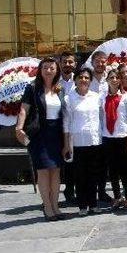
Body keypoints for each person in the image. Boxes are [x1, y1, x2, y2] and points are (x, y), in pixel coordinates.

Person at [15, 58, 66, 221]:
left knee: (56, 171)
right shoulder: (32, 88)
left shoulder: (60, 88)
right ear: (40, 70)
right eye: (45, 67)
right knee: (43, 171)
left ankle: (56, 205)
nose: (48, 70)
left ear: (56, 70)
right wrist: (19, 127)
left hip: (56, 133)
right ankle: (48, 207)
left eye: (52, 68)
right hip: (39, 134)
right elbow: (24, 109)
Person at [62, 69, 103, 216]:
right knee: (80, 176)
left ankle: (93, 204)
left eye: (86, 77)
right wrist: (67, 144)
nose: (83, 80)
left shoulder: (96, 97)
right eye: (80, 77)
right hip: (77, 142)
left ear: (90, 80)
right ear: (76, 80)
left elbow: (101, 118)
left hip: (94, 140)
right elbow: (66, 123)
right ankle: (82, 206)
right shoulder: (69, 98)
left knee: (93, 174)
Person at [101, 69, 127, 210]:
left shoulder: (126, 97)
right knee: (113, 169)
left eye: (117, 77)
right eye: (111, 77)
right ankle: (116, 196)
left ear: (120, 80)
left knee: (126, 168)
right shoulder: (102, 98)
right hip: (108, 137)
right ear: (107, 80)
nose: (114, 79)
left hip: (123, 136)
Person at [89, 50, 111, 203]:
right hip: (89, 125)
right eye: (97, 61)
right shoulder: (86, 78)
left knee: (103, 162)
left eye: (103, 61)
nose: (100, 63)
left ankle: (102, 191)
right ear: (92, 62)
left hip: (106, 126)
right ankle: (88, 192)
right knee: (90, 161)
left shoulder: (110, 79)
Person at [58, 52, 77, 205]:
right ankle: (52, 194)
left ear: (75, 64)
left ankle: (70, 190)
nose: (67, 65)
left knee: (73, 161)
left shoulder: (79, 80)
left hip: (75, 126)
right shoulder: (53, 82)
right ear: (60, 63)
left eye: (70, 62)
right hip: (57, 127)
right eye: (64, 62)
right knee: (59, 161)